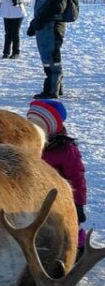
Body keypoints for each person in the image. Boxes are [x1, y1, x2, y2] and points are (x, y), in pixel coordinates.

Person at [26, 100, 87, 255]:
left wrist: (78, 204)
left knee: (68, 222)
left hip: (61, 196)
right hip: (35, 195)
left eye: (38, 125)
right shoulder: (29, 145)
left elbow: (77, 177)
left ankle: (77, 245)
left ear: (50, 127)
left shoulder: (65, 150)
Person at [27, 0, 72, 99]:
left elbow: (57, 7)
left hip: (52, 27)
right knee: (48, 57)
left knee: (52, 57)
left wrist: (40, 21)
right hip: (45, 26)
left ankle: (51, 90)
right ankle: (56, 87)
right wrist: (35, 23)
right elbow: (44, 7)